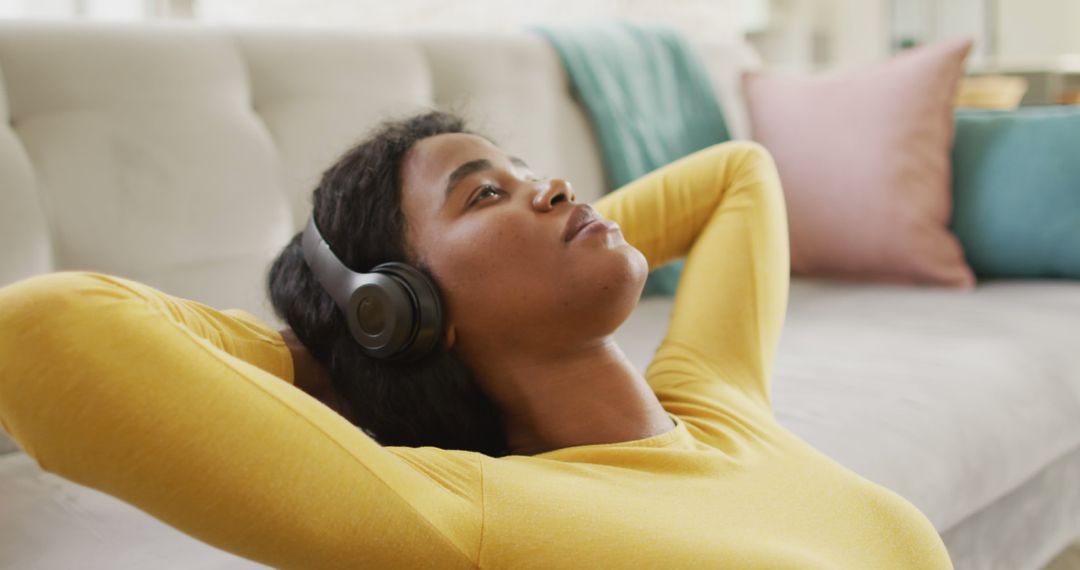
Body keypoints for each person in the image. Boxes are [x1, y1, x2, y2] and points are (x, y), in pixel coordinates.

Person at [0, 110, 954, 569]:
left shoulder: (717, 409)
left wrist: (554, 248)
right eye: (483, 193)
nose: (554, 186)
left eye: (532, 169)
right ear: (405, 307)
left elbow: (738, 177)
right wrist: (351, 342)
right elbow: (40, 330)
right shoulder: (471, 519)